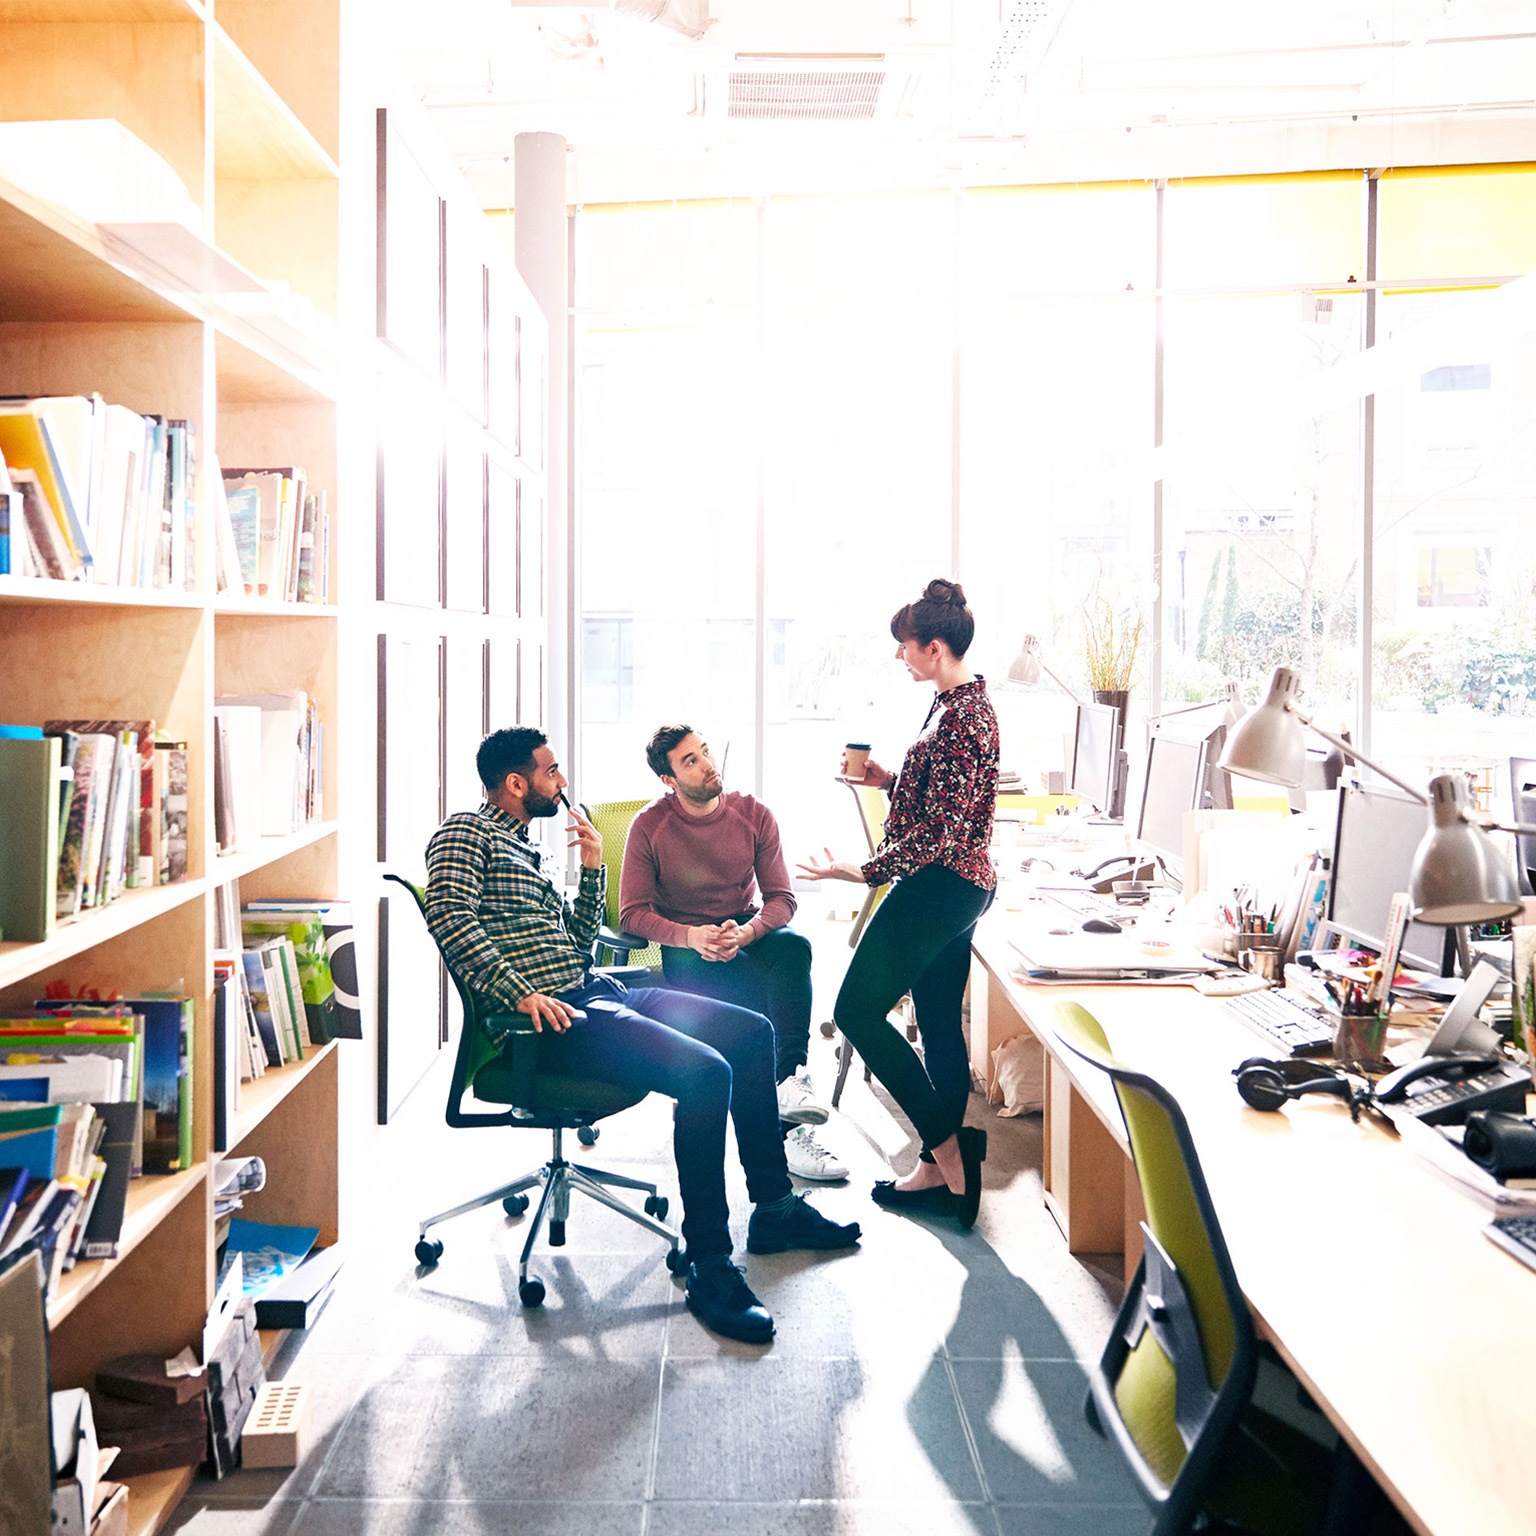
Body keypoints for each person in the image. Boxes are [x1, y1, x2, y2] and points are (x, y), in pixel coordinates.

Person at [425, 726, 861, 1344]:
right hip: (550, 1019)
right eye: (552, 772)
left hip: (594, 988)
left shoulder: (525, 850)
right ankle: (711, 1264)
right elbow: (448, 913)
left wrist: (592, 873)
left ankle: (774, 1208)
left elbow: (576, 947)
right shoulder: (464, 834)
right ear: (516, 784)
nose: (563, 782)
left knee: (752, 1032)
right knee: (706, 1073)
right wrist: (517, 993)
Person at [798, 578, 998, 1230]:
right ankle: (938, 1173)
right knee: (938, 1018)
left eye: (905, 647)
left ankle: (951, 1157)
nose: (899, 657)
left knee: (855, 1010)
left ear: (934, 647)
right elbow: (945, 796)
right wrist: (891, 779)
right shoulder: (957, 702)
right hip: (957, 885)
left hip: (939, 886)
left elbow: (940, 833)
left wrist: (860, 871)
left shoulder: (963, 720)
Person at [619, 725, 846, 1183]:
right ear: (669, 780)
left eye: (705, 753)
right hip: (686, 944)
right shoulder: (649, 826)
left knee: (792, 949)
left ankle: (790, 1085)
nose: (707, 765)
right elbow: (632, 914)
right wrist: (691, 937)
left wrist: (750, 932)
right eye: (690, 761)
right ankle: (779, 1136)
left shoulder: (753, 814)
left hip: (742, 928)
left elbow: (783, 898)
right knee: (747, 999)